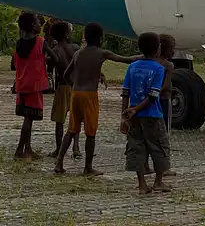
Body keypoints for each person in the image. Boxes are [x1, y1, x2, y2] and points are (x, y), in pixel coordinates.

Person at [53, 22, 140, 176]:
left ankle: (59, 163)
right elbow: (125, 59)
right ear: (100, 38)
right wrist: (144, 56)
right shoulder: (102, 53)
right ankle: (88, 167)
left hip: (76, 94)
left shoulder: (78, 53)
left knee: (71, 130)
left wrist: (73, 85)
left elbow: (66, 74)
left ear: (85, 37)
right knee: (90, 132)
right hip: (89, 96)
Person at [121, 32, 171, 194]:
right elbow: (153, 95)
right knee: (159, 147)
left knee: (136, 148)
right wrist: (137, 109)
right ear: (157, 49)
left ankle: (142, 184)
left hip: (134, 117)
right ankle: (158, 182)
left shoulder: (132, 67)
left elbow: (125, 92)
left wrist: (124, 115)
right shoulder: (159, 69)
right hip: (153, 115)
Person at [13, 12, 61, 159]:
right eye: (38, 22)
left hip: (22, 84)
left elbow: (14, 64)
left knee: (27, 116)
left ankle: (28, 149)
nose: (41, 24)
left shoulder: (19, 43)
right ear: (33, 26)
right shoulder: (41, 42)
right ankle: (19, 150)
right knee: (28, 118)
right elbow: (55, 59)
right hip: (34, 85)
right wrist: (43, 59)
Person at [48, 21, 81, 158]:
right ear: (67, 34)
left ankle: (58, 148)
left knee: (59, 121)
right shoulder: (75, 48)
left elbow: (50, 66)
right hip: (76, 87)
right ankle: (76, 148)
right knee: (76, 119)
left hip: (62, 87)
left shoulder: (55, 50)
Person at [144, 34, 176, 177]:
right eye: (172, 48)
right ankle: (164, 166)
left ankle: (145, 164)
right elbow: (166, 86)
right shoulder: (168, 65)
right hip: (163, 101)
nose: (174, 52)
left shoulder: (148, 62)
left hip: (148, 101)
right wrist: (157, 93)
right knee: (164, 135)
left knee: (147, 133)